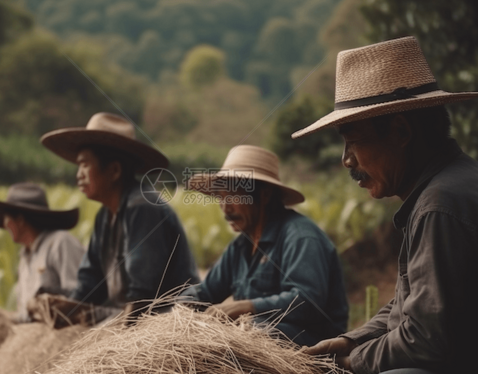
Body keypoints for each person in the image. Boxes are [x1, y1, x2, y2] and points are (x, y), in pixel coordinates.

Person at [292, 36, 478, 374]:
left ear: (400, 130)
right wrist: (352, 341)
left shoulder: (439, 206)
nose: (347, 160)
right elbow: (416, 304)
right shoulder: (449, 187)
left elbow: (425, 338)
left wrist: (348, 363)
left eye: (353, 142)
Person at [39, 112, 200, 322]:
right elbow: (90, 284)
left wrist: (84, 314)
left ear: (114, 170)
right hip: (127, 317)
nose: (79, 174)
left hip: (168, 321)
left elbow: (142, 300)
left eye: (85, 164)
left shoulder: (142, 208)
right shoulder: (104, 216)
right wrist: (65, 309)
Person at [181, 145, 349, 346]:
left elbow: (308, 301)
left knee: (245, 330)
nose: (226, 208)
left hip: (309, 349)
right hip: (258, 341)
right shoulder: (240, 247)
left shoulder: (300, 237)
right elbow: (205, 292)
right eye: (221, 198)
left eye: (233, 197)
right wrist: (179, 309)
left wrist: (248, 306)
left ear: (265, 195)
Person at [0, 182, 85, 323]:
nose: (4, 224)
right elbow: (24, 311)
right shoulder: (24, 257)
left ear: (21, 220)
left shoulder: (60, 243)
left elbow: (81, 299)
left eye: (6, 218)